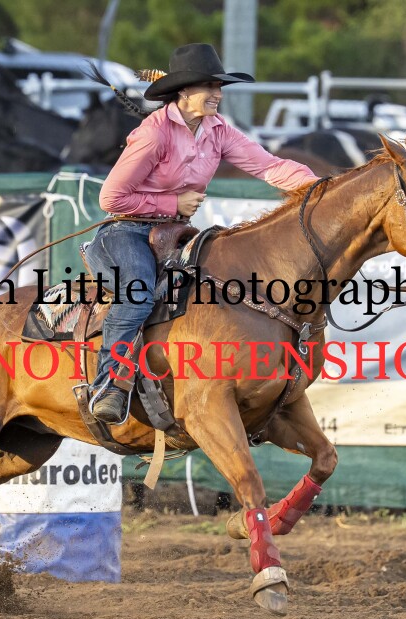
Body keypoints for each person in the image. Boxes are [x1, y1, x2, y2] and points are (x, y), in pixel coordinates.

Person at [86, 43, 320, 424]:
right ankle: (109, 385)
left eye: (219, 86)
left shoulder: (218, 130)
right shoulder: (154, 134)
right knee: (138, 292)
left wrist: (321, 189)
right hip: (125, 231)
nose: (218, 94)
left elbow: (269, 166)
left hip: (174, 233)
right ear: (183, 91)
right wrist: (173, 203)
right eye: (209, 86)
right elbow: (110, 197)